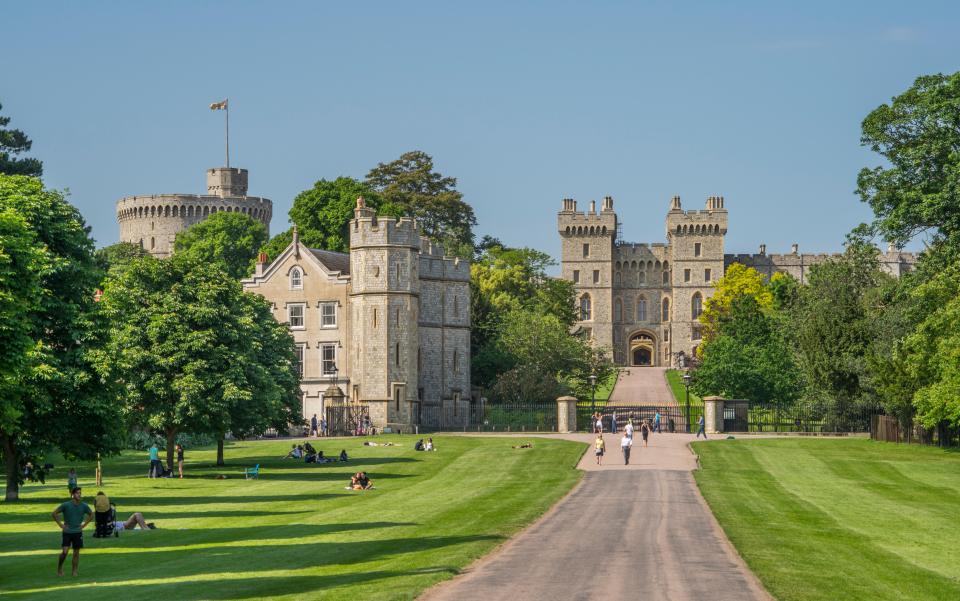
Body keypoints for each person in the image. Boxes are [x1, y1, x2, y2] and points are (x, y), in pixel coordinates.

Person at [53, 487, 93, 576]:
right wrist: (61, 525)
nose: (79, 495)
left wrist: (83, 525)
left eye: (80, 493)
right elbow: (54, 513)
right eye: (77, 493)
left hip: (77, 532)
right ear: (73, 495)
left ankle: (74, 571)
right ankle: (59, 568)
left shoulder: (84, 505)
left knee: (76, 553)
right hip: (67, 532)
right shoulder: (66, 505)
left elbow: (91, 514)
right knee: (65, 552)